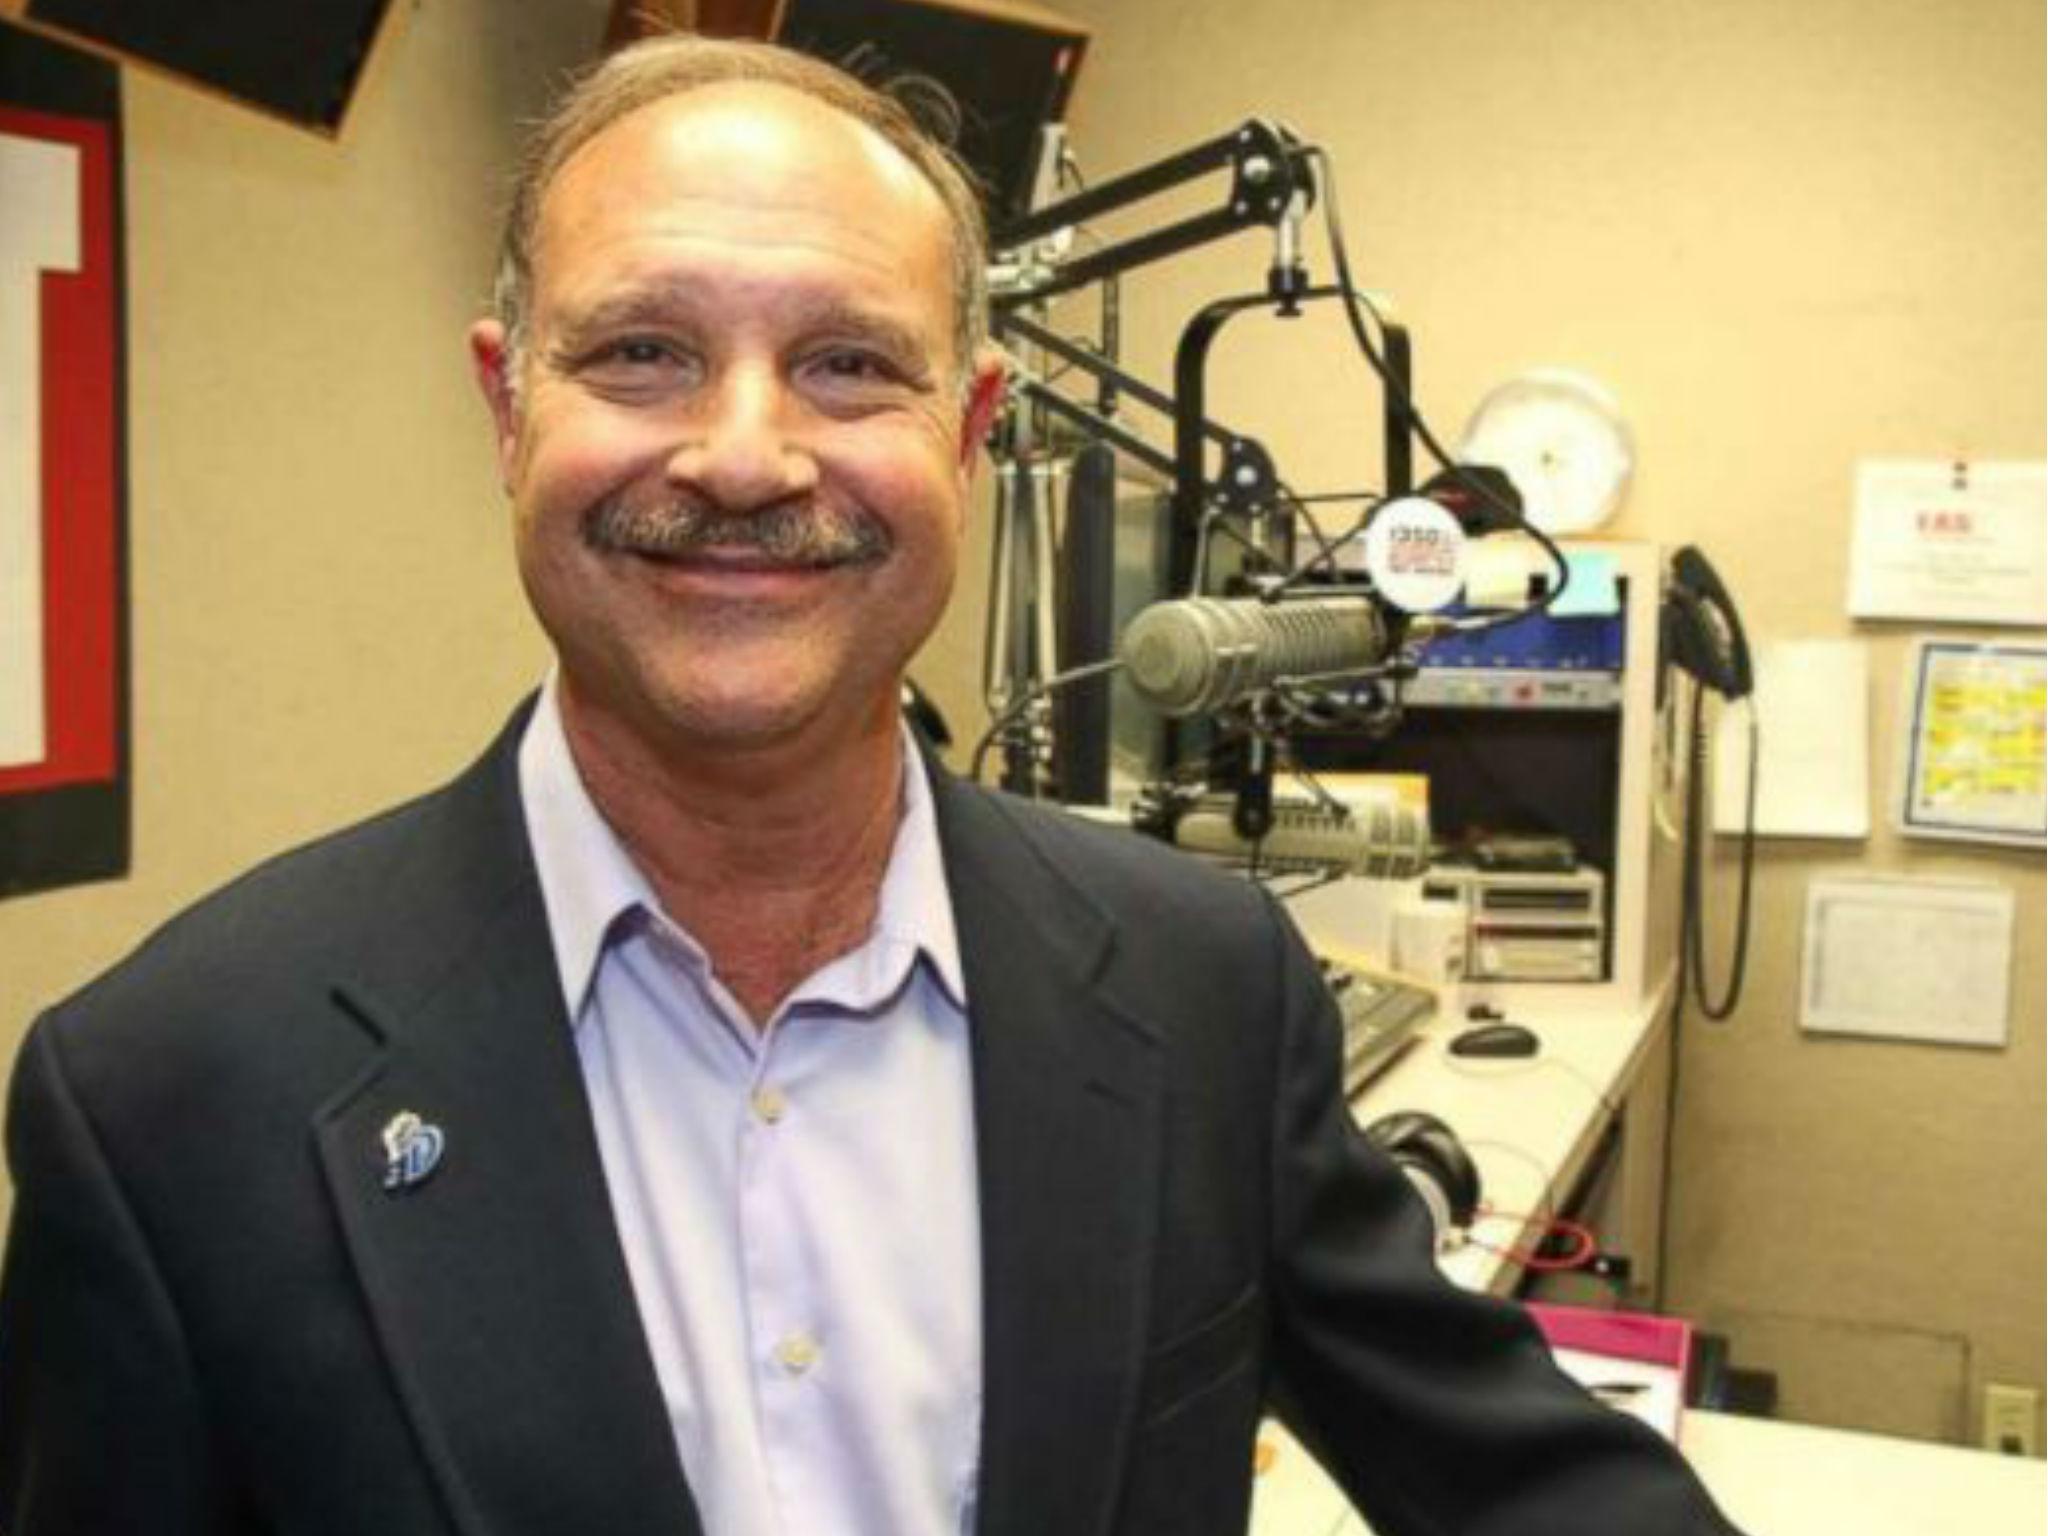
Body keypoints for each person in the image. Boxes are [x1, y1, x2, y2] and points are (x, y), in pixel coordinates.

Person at [0, 33, 1745, 1536]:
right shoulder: (169, 1096)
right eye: (642, 352)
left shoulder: (1204, 989)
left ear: (974, 428)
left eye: (848, 363)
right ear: (505, 403)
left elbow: (1526, 1488)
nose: (748, 455)